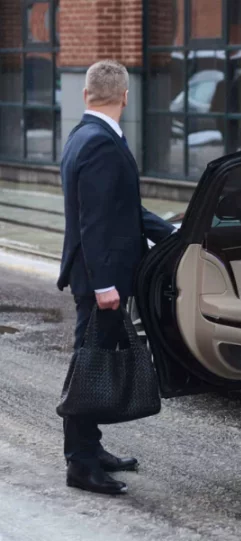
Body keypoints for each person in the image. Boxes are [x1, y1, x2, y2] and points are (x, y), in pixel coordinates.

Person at [57, 60, 175, 495]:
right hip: (99, 278)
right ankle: (81, 464)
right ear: (125, 96)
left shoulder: (82, 136)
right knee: (90, 365)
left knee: (94, 359)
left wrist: (172, 233)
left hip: (94, 273)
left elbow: (122, 209)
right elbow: (96, 223)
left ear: (86, 95)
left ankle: (90, 446)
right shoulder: (102, 143)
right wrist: (106, 284)